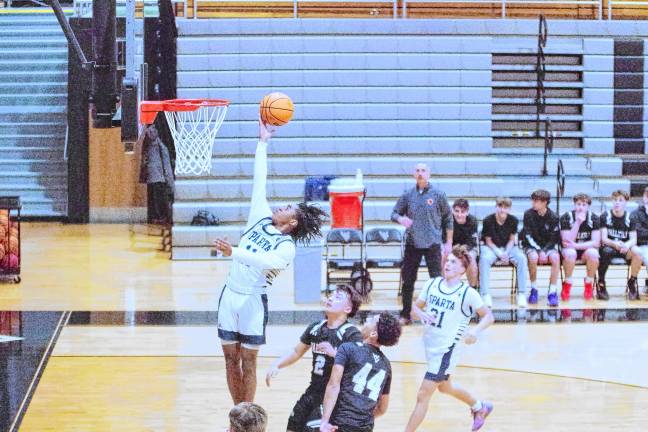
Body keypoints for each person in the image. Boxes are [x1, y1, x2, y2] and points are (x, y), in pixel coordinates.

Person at [213, 120, 328, 404]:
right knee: (230, 360)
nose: (281, 206)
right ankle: (237, 413)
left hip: (252, 301)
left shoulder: (286, 247)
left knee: (248, 362)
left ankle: (248, 415)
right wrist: (262, 143)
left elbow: (260, 261)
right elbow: (259, 179)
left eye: (287, 208)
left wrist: (234, 252)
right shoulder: (259, 215)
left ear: (291, 223)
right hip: (230, 294)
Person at [404, 245, 495, 432]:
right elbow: (414, 308)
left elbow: (488, 316)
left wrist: (475, 332)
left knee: (423, 395)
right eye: (448, 260)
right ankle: (480, 407)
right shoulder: (432, 284)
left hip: (446, 351)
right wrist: (420, 314)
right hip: (430, 346)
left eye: (454, 262)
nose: (448, 264)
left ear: (462, 269)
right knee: (445, 387)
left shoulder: (467, 293)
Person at [265, 285, 363, 432]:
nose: (330, 298)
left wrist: (336, 354)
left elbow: (358, 366)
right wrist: (277, 364)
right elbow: (296, 352)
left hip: (333, 397)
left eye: (338, 297)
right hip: (312, 391)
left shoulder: (351, 334)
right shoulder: (316, 327)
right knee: (292, 426)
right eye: (331, 294)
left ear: (348, 309)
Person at [391, 163, 453, 325]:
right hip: (413, 243)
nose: (420, 173)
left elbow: (448, 218)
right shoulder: (408, 195)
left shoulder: (438, 195)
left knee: (437, 280)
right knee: (408, 280)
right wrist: (400, 219)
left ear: (429, 174)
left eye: (423, 171)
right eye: (417, 171)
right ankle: (405, 314)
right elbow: (394, 213)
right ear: (413, 174)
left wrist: (449, 242)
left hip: (433, 243)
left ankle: (439, 314)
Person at [319, 312, 402, 432]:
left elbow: (333, 385)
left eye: (371, 320)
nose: (367, 319)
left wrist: (324, 421)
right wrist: (362, 420)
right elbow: (382, 408)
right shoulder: (386, 366)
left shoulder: (347, 348)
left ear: (373, 334)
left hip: (339, 424)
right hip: (365, 427)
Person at [478, 197, 529, 308]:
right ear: (496, 207)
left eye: (505, 207)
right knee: (484, 259)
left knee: (522, 258)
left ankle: (521, 293)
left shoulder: (513, 220)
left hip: (508, 247)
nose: (502, 210)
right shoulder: (488, 220)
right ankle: (485, 294)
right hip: (491, 247)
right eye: (500, 207)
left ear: (509, 209)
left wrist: (505, 252)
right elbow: (488, 241)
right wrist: (499, 253)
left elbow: (511, 240)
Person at [520, 189, 561, 306]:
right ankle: (534, 289)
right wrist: (539, 250)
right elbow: (527, 235)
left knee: (556, 258)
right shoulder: (528, 214)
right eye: (533, 200)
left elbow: (554, 239)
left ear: (545, 203)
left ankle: (552, 292)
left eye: (536, 201)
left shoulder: (553, 217)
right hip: (531, 245)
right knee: (533, 257)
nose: (533, 203)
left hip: (547, 246)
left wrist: (545, 251)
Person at [560, 193, 600, 302]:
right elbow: (566, 241)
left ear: (588, 206)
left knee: (593, 253)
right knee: (570, 252)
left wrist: (577, 245)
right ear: (574, 205)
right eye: (578, 204)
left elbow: (596, 242)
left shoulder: (594, 218)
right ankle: (567, 283)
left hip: (584, 251)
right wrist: (577, 223)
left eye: (584, 204)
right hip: (570, 250)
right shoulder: (566, 217)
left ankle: (588, 283)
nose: (581, 207)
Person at [599, 190, 636, 300]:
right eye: (615, 200)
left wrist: (627, 244)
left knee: (636, 253)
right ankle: (601, 283)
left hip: (624, 248)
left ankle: (632, 282)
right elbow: (604, 239)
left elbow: (634, 239)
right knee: (606, 251)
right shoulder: (606, 216)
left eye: (620, 200)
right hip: (610, 247)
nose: (617, 203)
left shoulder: (630, 217)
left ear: (626, 202)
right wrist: (615, 244)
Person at [449, 199, 479, 287]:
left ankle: (473, 289)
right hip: (451, 248)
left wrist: (463, 250)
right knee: (443, 257)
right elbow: (446, 240)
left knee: (471, 259)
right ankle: (446, 287)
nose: (459, 214)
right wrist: (454, 250)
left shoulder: (473, 221)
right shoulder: (447, 220)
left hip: (467, 248)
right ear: (452, 210)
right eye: (456, 211)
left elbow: (471, 242)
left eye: (462, 212)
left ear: (467, 212)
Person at [629, 187, 648, 300]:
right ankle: (632, 282)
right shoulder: (635, 214)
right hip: (642, 245)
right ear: (644, 197)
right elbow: (639, 234)